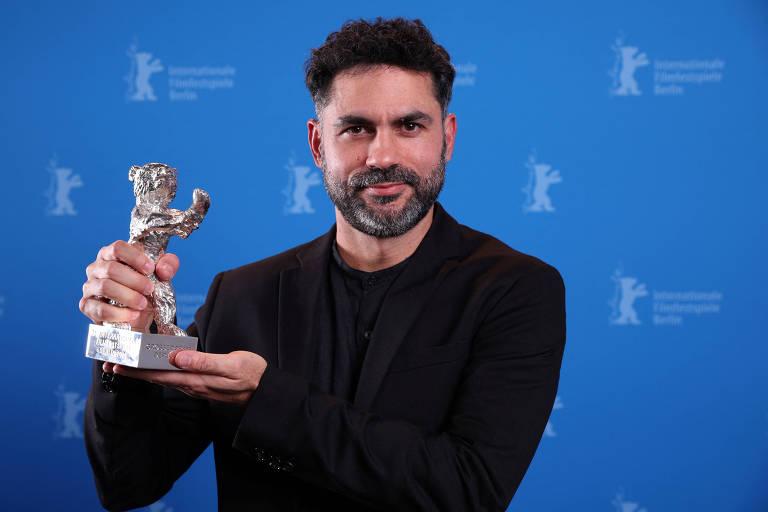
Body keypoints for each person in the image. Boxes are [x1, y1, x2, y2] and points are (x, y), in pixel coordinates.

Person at [79, 17, 566, 512]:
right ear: (317, 144)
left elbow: (468, 490)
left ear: (448, 137)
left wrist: (265, 399)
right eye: (356, 128)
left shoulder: (515, 290)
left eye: (410, 126)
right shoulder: (241, 296)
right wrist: (125, 346)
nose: (382, 155)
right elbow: (128, 484)